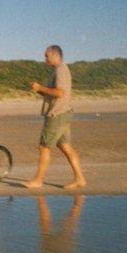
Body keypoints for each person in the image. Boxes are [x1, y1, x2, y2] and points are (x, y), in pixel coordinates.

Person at [23, 45, 86, 189]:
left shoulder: (61, 70)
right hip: (63, 113)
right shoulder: (59, 70)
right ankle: (80, 179)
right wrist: (38, 90)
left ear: (55, 55)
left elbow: (60, 93)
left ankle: (38, 180)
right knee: (65, 146)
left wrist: (40, 88)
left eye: (47, 55)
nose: (45, 58)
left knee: (44, 147)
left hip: (57, 114)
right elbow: (53, 93)